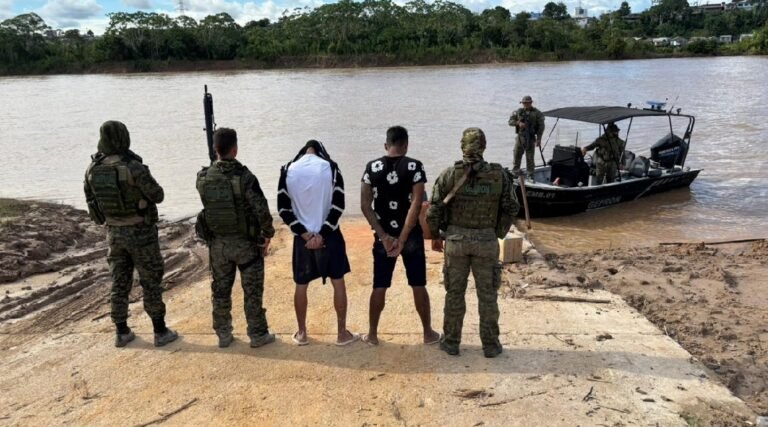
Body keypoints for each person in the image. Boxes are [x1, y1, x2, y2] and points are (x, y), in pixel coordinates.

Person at [83, 120, 178, 348]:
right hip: (140, 233)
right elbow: (157, 194)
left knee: (119, 281)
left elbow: (93, 206)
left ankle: (122, 331)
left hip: (114, 233)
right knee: (151, 280)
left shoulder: (92, 169)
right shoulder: (133, 167)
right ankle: (160, 331)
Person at [427, 128, 519, 358]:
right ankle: (490, 345)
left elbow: (434, 209)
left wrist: (436, 235)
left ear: (462, 146)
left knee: (454, 294)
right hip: (486, 241)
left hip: (456, 241)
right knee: (487, 295)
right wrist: (498, 230)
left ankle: (451, 342)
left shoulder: (449, 174)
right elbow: (512, 207)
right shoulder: (499, 175)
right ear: (484, 146)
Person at [360, 126, 441, 346]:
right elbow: (417, 203)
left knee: (380, 285)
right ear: (406, 145)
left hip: (383, 236)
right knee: (418, 284)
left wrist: (384, 236)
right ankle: (427, 334)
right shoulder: (415, 166)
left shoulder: (371, 167)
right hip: (411, 236)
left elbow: (365, 205)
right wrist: (403, 237)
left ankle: (373, 335)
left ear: (386, 145)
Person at [196, 128, 275, 348]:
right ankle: (258, 334)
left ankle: (223, 334)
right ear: (235, 149)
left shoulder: (203, 177)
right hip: (245, 245)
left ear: (215, 149)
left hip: (218, 245)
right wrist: (268, 234)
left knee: (220, 291)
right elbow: (261, 210)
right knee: (252, 292)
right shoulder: (245, 177)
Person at [277, 140, 358, 346]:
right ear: (321, 151)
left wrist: (305, 235)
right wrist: (321, 234)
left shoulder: (287, 169)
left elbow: (283, 209)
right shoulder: (331, 168)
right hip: (330, 237)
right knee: (338, 281)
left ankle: (302, 333)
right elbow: (338, 205)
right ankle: (341, 333)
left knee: (301, 285)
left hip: (302, 240)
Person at [508, 95, 545, 181]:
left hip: (531, 137)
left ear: (531, 103)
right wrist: (518, 123)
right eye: (524, 103)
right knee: (516, 155)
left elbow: (541, 126)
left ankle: (530, 175)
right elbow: (510, 122)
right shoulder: (518, 112)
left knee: (530, 157)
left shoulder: (537, 113)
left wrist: (539, 139)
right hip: (520, 137)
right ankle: (515, 172)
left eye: (527, 103)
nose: (525, 104)